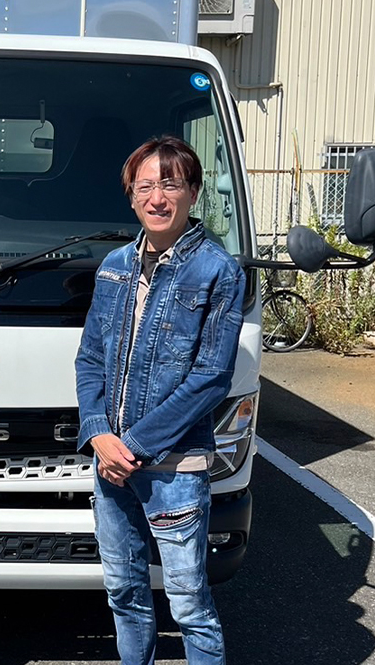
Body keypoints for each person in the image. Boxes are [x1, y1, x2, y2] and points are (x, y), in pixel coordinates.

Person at [75, 135, 244, 665]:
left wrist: (132, 446)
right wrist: (99, 435)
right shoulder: (115, 265)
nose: (156, 197)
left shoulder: (217, 271)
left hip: (174, 467)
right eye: (144, 186)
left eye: (170, 184)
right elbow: (90, 359)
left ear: (193, 192)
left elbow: (211, 378)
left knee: (190, 604)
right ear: (131, 197)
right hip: (111, 463)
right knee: (124, 595)